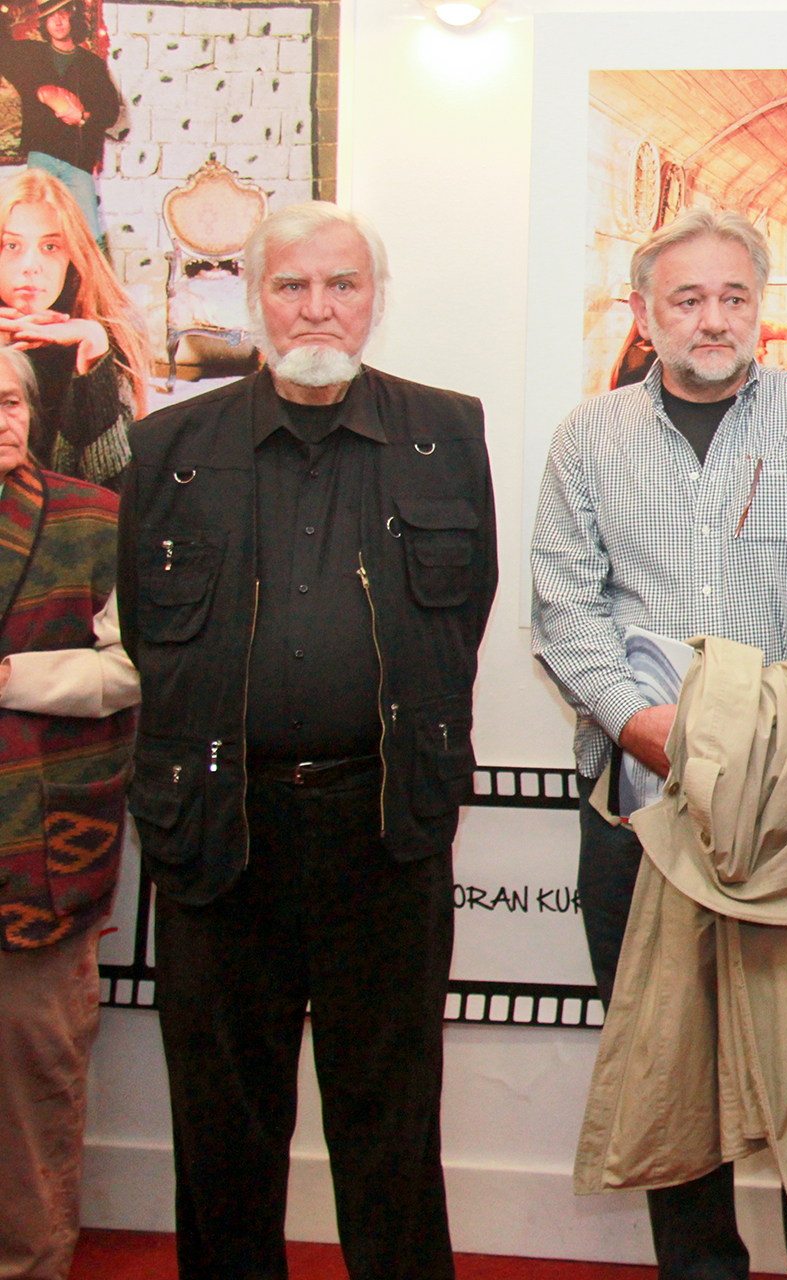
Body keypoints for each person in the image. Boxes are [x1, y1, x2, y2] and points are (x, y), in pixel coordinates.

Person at [117, 202, 497, 1280]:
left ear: (376, 300)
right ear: (254, 299)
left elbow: (464, 615)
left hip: (385, 829)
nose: (317, 308)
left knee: (393, 1130)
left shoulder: (446, 434)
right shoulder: (169, 448)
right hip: (220, 831)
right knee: (222, 1129)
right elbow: (149, 635)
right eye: (292, 285)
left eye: (343, 284)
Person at [531, 206, 787, 1280]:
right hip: (645, 795)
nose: (713, 318)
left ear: (761, 306)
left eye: (735, 296)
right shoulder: (588, 437)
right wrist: (646, 728)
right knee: (668, 1063)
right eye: (686, 299)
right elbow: (564, 609)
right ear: (645, 314)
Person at [0, 343, 137, 1280]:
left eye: (11, 401)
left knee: (30, 1083)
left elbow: (140, 666)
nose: (1, 418)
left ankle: (30, 1265)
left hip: (39, 855)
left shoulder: (94, 516)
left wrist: (14, 678)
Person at [0, 166, 150, 490]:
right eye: (11, 246)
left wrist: (94, 356)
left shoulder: (110, 331)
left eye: (50, 247)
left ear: (72, 255)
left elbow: (116, 492)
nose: (30, 267)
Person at [0, 0, 122, 244]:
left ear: (72, 20)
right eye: (51, 17)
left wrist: (83, 117)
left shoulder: (92, 64)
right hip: (41, 156)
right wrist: (43, 92)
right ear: (44, 23)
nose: (57, 21)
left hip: (78, 161)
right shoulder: (30, 53)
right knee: (38, 231)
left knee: (89, 237)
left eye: (63, 15)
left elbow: (110, 111)